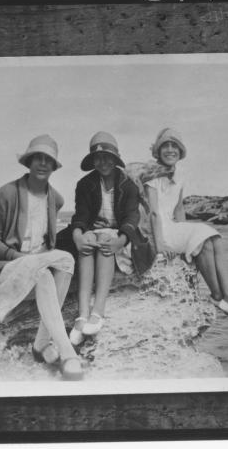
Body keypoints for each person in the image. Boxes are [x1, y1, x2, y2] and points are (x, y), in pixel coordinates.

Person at [0, 134, 83, 380]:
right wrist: (19, 257)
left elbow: (48, 243)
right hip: (11, 266)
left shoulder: (55, 199)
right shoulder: (6, 194)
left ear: (53, 166)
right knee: (42, 273)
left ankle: (40, 345)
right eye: (36, 158)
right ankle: (67, 352)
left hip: (39, 264)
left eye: (48, 160)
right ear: (28, 162)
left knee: (66, 260)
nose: (42, 163)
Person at [143, 128, 228, 328]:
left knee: (213, 240)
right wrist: (159, 245)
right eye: (165, 146)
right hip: (159, 230)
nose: (170, 150)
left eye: (174, 146)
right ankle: (219, 296)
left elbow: (179, 208)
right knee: (203, 234)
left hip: (173, 226)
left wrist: (186, 234)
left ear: (180, 151)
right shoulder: (151, 175)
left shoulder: (179, 175)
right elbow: (153, 213)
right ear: (158, 151)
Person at [61, 131, 155, 346]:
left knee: (105, 242)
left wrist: (121, 239)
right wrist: (79, 235)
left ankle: (99, 310)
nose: (103, 162)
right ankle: (82, 314)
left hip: (120, 233)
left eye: (107, 157)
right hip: (94, 230)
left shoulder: (128, 184)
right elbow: (82, 214)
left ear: (115, 159)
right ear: (93, 160)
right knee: (87, 244)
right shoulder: (85, 184)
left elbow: (133, 215)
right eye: (98, 158)